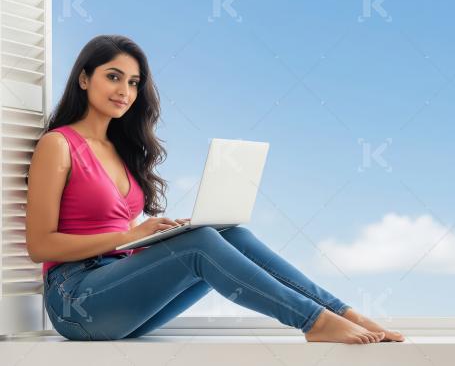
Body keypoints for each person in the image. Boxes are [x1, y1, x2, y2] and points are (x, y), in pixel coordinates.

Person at [24, 34, 404, 343]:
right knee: (200, 245)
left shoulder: (121, 151)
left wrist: (154, 237)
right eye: (113, 76)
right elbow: (40, 246)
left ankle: (342, 312)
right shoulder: (58, 145)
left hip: (118, 287)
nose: (125, 89)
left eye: (134, 82)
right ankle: (313, 322)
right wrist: (128, 235)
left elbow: (121, 238)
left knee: (227, 233)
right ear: (84, 78)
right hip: (75, 299)